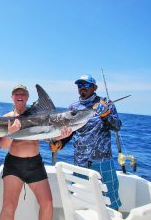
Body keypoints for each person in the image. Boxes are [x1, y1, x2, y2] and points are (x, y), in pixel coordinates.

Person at [0, 84, 71, 220]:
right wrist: (11, 133)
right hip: (13, 165)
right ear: (12, 97)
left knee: (47, 203)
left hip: (35, 164)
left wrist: (61, 135)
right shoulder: (7, 117)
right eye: (17, 94)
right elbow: (3, 146)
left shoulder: (38, 116)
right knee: (9, 206)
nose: (20, 96)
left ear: (27, 97)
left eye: (23, 94)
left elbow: (49, 137)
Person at [50, 74, 122, 210]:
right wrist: (59, 143)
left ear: (94, 88)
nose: (82, 88)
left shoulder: (105, 103)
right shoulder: (73, 108)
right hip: (80, 163)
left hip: (102, 162)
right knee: (80, 202)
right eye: (79, 85)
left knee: (110, 204)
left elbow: (117, 126)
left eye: (86, 85)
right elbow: (70, 132)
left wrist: (106, 115)